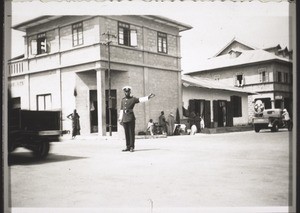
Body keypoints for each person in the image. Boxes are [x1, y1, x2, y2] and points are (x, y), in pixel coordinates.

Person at [118, 86, 155, 152]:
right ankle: (128, 146)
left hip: (131, 118)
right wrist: (120, 118)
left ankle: (132, 147)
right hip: (125, 119)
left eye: (128, 92)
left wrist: (148, 97)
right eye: (125, 92)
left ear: (130, 92)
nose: (127, 93)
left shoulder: (133, 99)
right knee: (126, 133)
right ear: (124, 92)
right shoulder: (123, 100)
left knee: (131, 133)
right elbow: (121, 110)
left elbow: (140, 99)